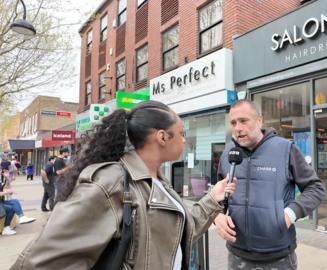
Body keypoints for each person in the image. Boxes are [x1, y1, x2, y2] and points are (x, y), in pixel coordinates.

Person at [11, 100, 236, 269]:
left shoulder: (158, 181)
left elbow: (178, 232)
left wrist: (212, 200)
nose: (185, 140)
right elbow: (42, 262)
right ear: (162, 137)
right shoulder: (109, 183)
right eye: (181, 133)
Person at [214, 100, 325, 270]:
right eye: (233, 123)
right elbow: (219, 196)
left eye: (244, 121)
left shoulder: (285, 149)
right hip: (237, 255)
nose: (237, 128)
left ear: (259, 120)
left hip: (278, 256)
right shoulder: (228, 154)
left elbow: (315, 188)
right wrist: (217, 216)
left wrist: (290, 214)